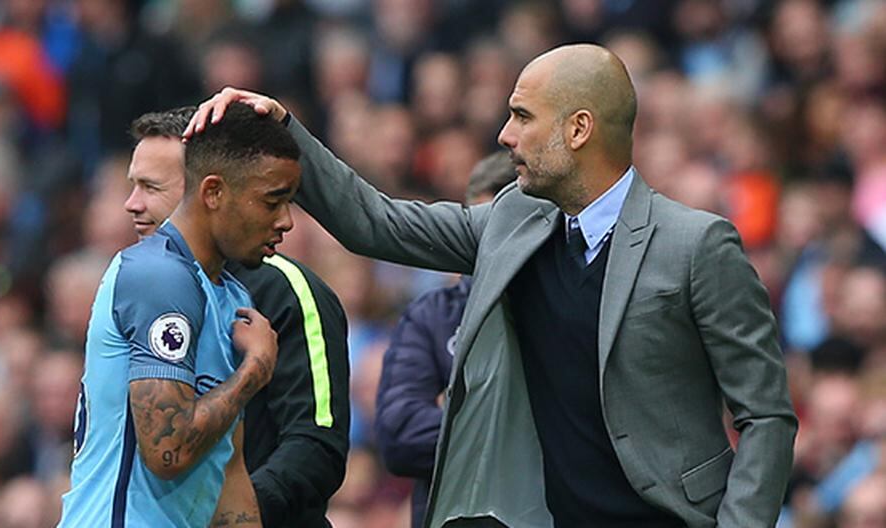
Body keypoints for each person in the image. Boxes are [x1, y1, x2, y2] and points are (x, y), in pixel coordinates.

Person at [188, 43, 798, 528]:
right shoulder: (514, 220)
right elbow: (375, 223)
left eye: (523, 116)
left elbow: (766, 414)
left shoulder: (698, 244)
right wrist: (284, 126)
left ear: (579, 129)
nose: (506, 135)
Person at [59, 102, 301, 527]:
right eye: (271, 202)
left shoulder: (232, 295)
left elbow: (229, 467)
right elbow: (167, 452)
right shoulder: (158, 277)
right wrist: (253, 372)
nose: (286, 221)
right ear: (212, 192)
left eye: (150, 187)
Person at [124, 106, 351, 527]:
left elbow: (317, 443)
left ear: (207, 189)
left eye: (151, 188)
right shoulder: (136, 285)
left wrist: (240, 515)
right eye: (133, 186)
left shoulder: (287, 291)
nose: (131, 204)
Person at [374, 151, 516, 528]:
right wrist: (515, 422)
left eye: (503, 229)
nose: (489, 244)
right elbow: (400, 438)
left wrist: (456, 407)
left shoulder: (560, 307)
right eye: (478, 228)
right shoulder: (431, 317)